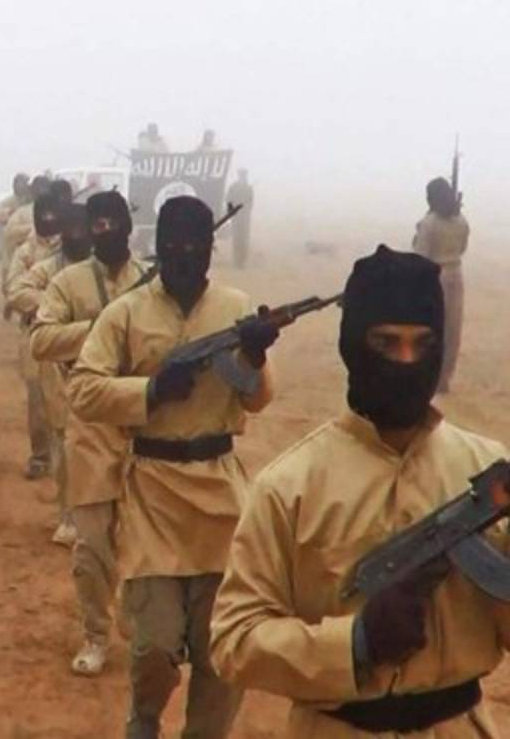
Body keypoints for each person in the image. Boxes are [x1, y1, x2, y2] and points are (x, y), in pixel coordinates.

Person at [210, 245, 510, 738]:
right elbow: (234, 640)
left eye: (423, 344)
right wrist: (355, 643)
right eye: (386, 343)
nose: (407, 361)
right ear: (352, 346)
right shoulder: (290, 486)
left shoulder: (485, 469)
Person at [68, 196, 278, 739]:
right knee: (155, 645)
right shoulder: (126, 313)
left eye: (195, 244)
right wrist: (151, 391)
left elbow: (257, 400)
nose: (184, 254)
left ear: (211, 248)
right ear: (157, 247)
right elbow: (83, 390)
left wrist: (255, 356)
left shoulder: (235, 307)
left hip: (220, 495)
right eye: (173, 244)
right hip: (153, 495)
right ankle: (144, 720)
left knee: (220, 649)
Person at [29, 190, 146, 676]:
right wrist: (98, 326)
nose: (105, 232)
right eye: (96, 225)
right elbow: (41, 340)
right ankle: (96, 633)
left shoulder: (150, 282)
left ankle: (140, 629)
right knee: (93, 544)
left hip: (145, 426)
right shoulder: (68, 283)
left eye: (113, 223)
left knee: (144, 545)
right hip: (91, 425)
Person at [8, 200, 92, 545]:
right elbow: (17, 291)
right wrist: (59, 306)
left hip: (101, 364)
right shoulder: (46, 267)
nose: (77, 234)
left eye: (83, 228)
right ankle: (69, 516)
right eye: (71, 228)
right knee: (63, 438)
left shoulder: (107, 269)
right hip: (55, 361)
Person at [5, 189, 63, 480]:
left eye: (53, 213)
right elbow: (16, 291)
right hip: (36, 333)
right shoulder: (25, 251)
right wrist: (56, 303)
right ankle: (41, 455)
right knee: (38, 398)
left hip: (71, 336)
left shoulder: (72, 249)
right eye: (44, 214)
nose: (48, 219)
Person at [413, 176, 468, 393]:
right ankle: (444, 379)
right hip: (455, 273)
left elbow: (421, 256)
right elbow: (462, 248)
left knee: (432, 328)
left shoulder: (429, 223)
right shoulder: (461, 221)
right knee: (452, 329)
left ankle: (430, 376)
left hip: (435, 277)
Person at [225, 169, 254, 268]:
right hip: (236, 217)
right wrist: (231, 212)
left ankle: (242, 261)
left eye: (244, 175)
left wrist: (246, 212)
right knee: (237, 239)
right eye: (242, 175)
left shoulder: (248, 188)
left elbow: (250, 203)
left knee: (244, 239)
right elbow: (228, 200)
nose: (243, 176)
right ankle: (237, 261)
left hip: (244, 217)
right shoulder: (234, 187)